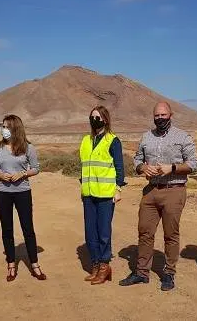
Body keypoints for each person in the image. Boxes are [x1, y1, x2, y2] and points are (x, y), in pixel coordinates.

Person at [118, 101, 197, 291]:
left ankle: (169, 274)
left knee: (171, 234)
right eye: (157, 115)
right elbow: (137, 159)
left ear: (170, 115)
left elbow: (194, 164)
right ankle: (141, 272)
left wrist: (171, 168)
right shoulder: (147, 136)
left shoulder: (182, 136)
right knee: (145, 232)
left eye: (163, 115)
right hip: (151, 190)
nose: (160, 118)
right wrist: (142, 167)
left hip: (174, 189)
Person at [0, 114, 46, 282]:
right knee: (7, 229)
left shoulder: (28, 147)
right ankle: (11, 264)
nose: (3, 130)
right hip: (2, 193)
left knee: (28, 228)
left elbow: (36, 168)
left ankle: (34, 264)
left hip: (22, 192)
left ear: (15, 129)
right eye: (2, 126)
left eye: (6, 127)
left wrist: (23, 173)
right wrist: (0, 174)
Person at [79, 105, 126, 285]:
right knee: (90, 232)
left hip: (106, 195)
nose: (94, 120)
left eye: (97, 117)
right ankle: (96, 265)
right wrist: (82, 186)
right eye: (92, 117)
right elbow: (85, 166)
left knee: (103, 232)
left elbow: (119, 167)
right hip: (89, 193)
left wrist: (118, 189)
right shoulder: (85, 140)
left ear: (105, 119)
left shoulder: (113, 141)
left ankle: (105, 266)